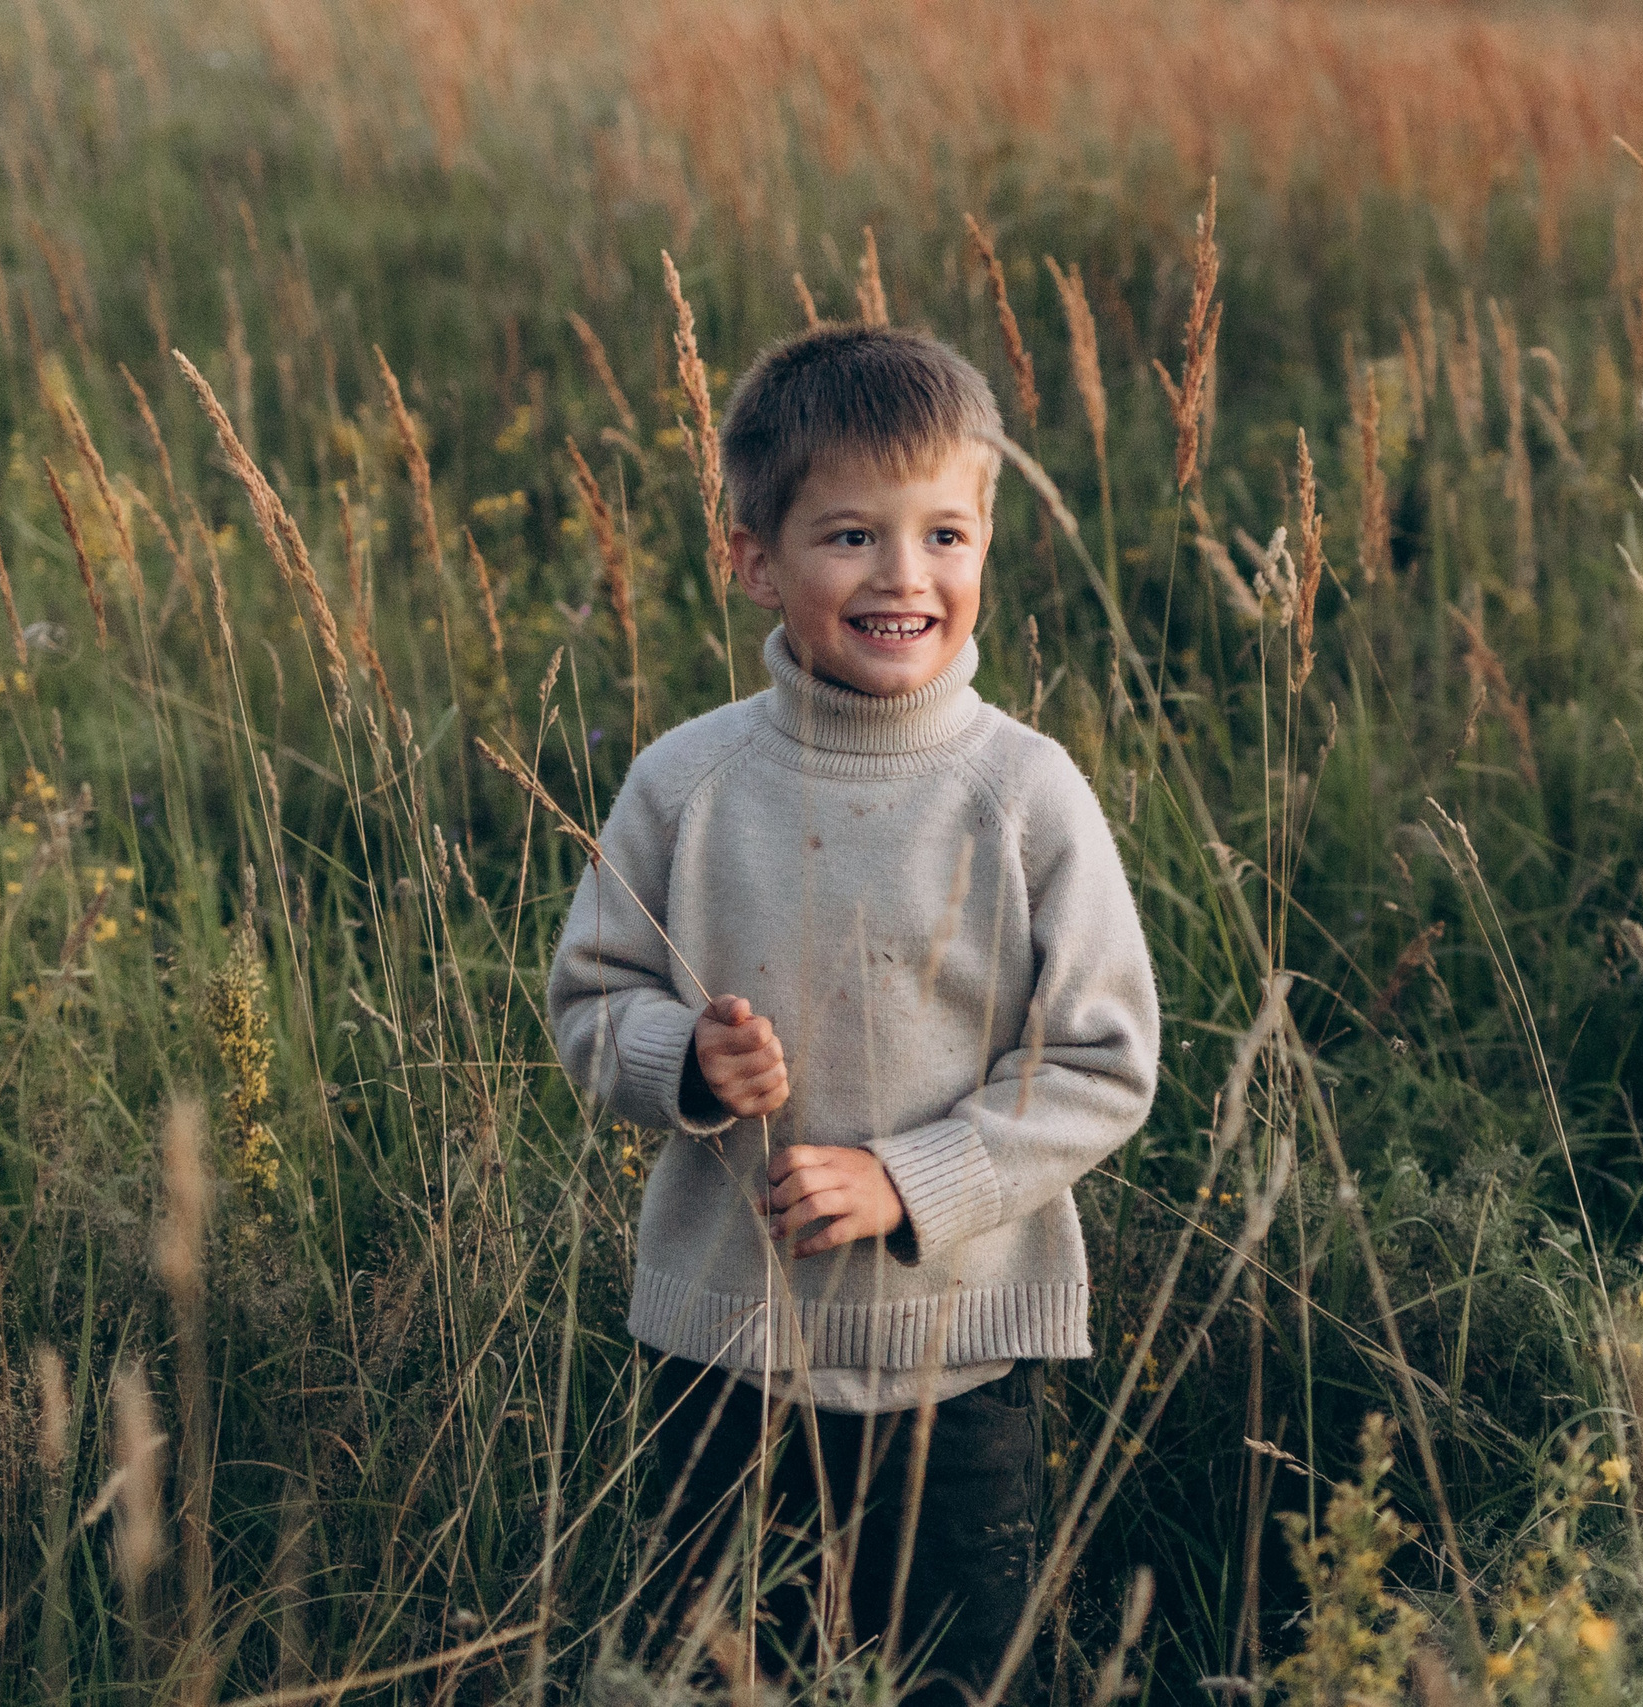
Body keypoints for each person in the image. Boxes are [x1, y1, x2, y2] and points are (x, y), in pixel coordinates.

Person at [547, 321, 1160, 1701]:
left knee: (963, 1679)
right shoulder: (688, 783)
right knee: (717, 1672)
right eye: (849, 538)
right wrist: (684, 1063)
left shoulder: (1025, 794)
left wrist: (904, 1180)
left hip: (960, 1363)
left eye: (945, 534)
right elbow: (589, 1000)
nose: (904, 576)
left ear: (988, 541)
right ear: (753, 560)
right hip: (723, 1355)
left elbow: (1104, 1063)